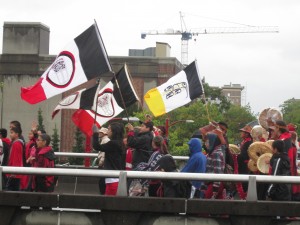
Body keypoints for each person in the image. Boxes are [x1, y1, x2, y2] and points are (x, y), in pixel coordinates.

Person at [92, 122, 125, 196]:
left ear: (114, 131)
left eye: (109, 129)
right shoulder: (120, 143)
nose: (107, 131)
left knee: (109, 204)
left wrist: (95, 133)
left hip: (112, 180)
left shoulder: (113, 144)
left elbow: (97, 146)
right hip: (115, 178)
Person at [204, 133, 226, 199]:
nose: (205, 144)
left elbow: (218, 172)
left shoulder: (216, 153)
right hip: (212, 184)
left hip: (214, 184)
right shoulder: (212, 152)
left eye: (207, 141)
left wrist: (215, 191)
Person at [6, 127, 25, 191]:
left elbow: (16, 159)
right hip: (15, 172)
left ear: (17, 134)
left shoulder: (16, 144)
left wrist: (13, 172)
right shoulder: (16, 143)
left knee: (11, 191)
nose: (10, 134)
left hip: (14, 173)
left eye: (12, 133)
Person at [237, 125, 253, 192]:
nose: (241, 133)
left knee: (244, 180)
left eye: (242, 132)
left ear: (246, 134)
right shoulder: (245, 142)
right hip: (242, 164)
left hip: (245, 164)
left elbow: (244, 155)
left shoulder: (249, 142)